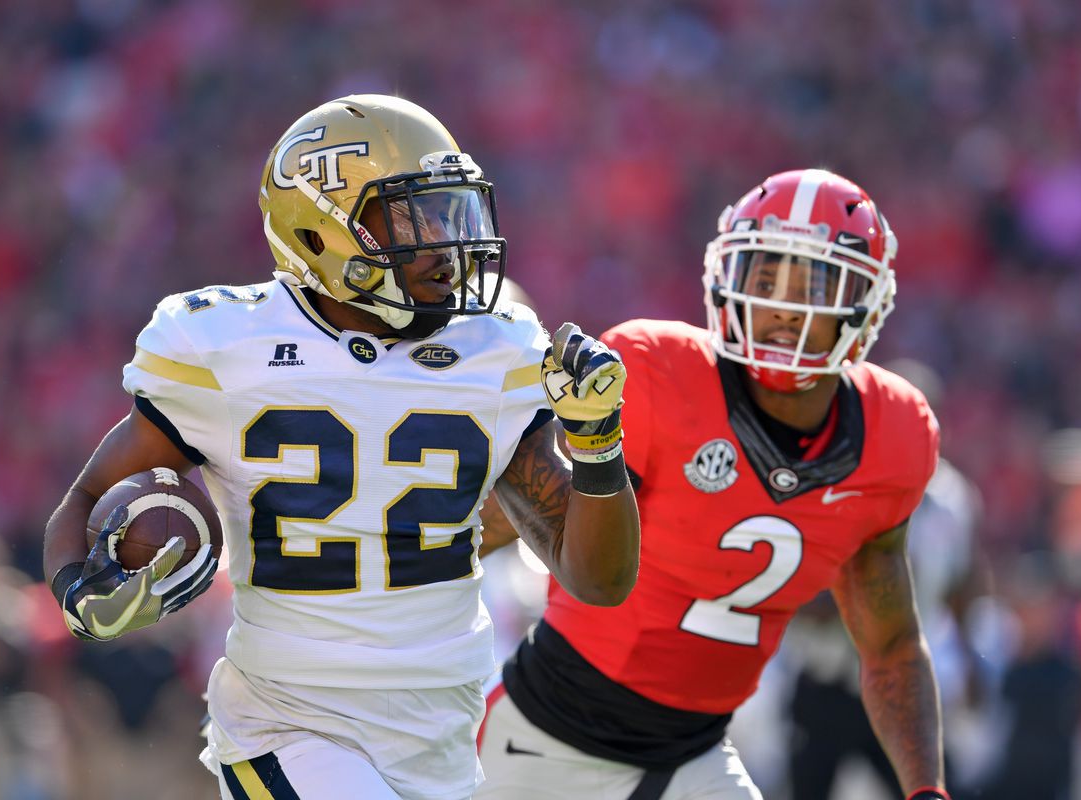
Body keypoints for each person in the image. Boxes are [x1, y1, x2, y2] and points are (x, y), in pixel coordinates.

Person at [41, 94, 641, 800]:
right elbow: (84, 499)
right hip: (290, 718)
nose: (448, 243)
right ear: (324, 231)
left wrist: (599, 443)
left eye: (453, 211)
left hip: (443, 720)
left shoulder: (496, 353)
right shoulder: (225, 346)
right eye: (415, 217)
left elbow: (600, 581)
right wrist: (81, 590)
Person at [477, 169, 948, 800]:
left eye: (812, 281)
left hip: (696, 756)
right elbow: (514, 519)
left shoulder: (896, 433)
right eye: (764, 275)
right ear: (726, 275)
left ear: (866, 302)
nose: (783, 304)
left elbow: (891, 645)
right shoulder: (658, 372)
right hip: (543, 741)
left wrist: (926, 790)